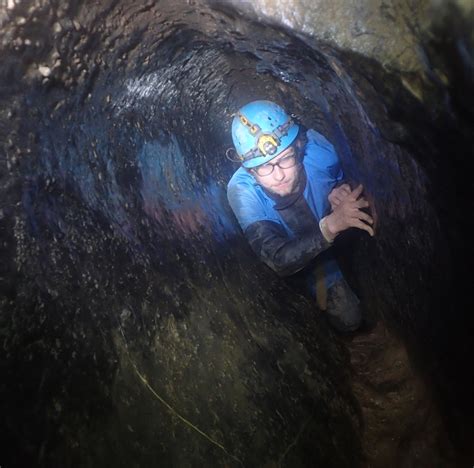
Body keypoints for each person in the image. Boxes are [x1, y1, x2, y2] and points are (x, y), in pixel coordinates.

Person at [226, 100, 374, 333]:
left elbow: (345, 178)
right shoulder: (243, 193)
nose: (278, 175)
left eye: (285, 159)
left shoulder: (321, 153)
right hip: (303, 253)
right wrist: (331, 226)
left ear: (298, 146)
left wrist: (339, 188)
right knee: (350, 319)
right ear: (250, 171)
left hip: (331, 224)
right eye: (264, 167)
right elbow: (278, 258)